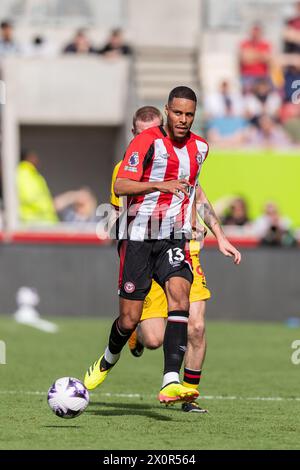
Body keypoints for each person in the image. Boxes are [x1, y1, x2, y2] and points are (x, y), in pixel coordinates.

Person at [84, 87, 241, 405]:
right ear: (167, 110)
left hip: (174, 237)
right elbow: (120, 186)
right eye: (178, 113)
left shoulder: (200, 148)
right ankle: (109, 357)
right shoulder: (144, 144)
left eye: (189, 114)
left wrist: (219, 234)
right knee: (132, 322)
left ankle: (172, 381)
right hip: (139, 240)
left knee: (183, 299)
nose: (183, 120)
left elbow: (196, 191)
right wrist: (158, 184)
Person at [17, 150, 58, 224]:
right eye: (33, 156)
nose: (36, 159)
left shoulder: (29, 173)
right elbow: (29, 197)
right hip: (35, 222)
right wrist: (48, 207)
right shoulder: (24, 173)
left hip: (40, 221)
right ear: (28, 158)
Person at [239, 24, 272, 93]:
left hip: (262, 76)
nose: (255, 34)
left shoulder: (266, 44)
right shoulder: (244, 43)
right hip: (247, 76)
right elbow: (245, 58)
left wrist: (252, 55)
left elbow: (268, 58)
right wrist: (261, 56)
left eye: (257, 31)